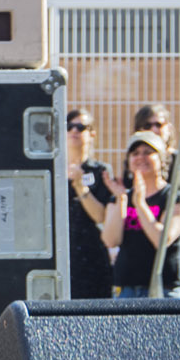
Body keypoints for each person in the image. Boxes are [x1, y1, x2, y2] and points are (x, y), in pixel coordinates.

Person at [101, 131, 180, 298]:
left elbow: (162, 240)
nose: (141, 157)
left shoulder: (174, 197)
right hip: (127, 289)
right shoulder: (121, 196)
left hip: (163, 288)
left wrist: (140, 204)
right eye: (135, 153)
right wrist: (121, 200)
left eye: (148, 152)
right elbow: (110, 240)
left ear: (161, 160)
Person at [64, 108, 115, 298]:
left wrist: (80, 186)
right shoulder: (52, 170)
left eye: (80, 127)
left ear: (92, 133)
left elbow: (101, 216)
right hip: (62, 253)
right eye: (69, 126)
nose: (74, 131)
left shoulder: (101, 171)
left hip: (92, 255)